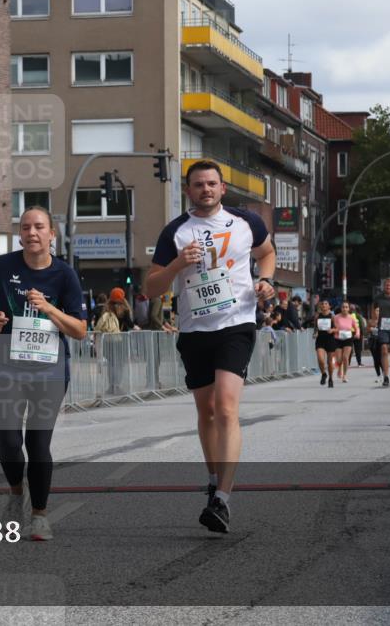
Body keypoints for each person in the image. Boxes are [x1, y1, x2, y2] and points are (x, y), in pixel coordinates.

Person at [144, 159, 276, 534]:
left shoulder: (246, 222)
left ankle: (222, 498)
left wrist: (266, 280)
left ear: (222, 188)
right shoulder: (176, 231)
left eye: (212, 184)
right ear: (188, 190)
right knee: (207, 412)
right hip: (194, 329)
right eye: (199, 184)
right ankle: (214, 478)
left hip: (237, 323)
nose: (206, 189)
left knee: (226, 406)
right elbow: (151, 288)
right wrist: (176, 265)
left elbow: (267, 253)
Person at [0, 206, 87, 542]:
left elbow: (80, 330)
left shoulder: (64, 274)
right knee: (9, 442)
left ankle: (39, 515)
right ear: (20, 234)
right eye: (25, 227)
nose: (32, 233)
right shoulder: (3, 266)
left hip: (49, 370)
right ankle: (15, 492)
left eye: (39, 227)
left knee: (38, 444)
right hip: (8, 366)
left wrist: (49, 308)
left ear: (52, 233)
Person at [313, 300, 337, 388]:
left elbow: (337, 328)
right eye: (322, 304)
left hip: (330, 340)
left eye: (326, 304)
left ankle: (330, 378)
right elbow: (315, 328)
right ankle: (323, 374)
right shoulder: (317, 316)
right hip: (320, 340)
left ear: (329, 306)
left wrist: (332, 330)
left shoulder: (332, 316)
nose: (324, 305)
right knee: (320, 359)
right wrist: (315, 333)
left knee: (330, 362)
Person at [333, 300, 359, 383]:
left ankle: (344, 375)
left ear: (349, 309)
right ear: (341, 308)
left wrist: (357, 333)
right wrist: (334, 330)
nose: (344, 309)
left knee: (345, 357)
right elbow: (334, 327)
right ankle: (339, 367)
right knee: (339, 360)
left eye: (346, 307)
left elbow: (356, 328)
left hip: (348, 339)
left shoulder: (351, 317)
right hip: (338, 339)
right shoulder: (336, 317)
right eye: (343, 307)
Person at [368, 307, 383, 382]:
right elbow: (367, 330)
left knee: (381, 359)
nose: (378, 312)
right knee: (375, 359)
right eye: (376, 311)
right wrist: (371, 329)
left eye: (379, 311)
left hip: (381, 341)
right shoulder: (371, 321)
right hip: (373, 341)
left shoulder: (383, 321)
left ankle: (384, 374)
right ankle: (378, 375)